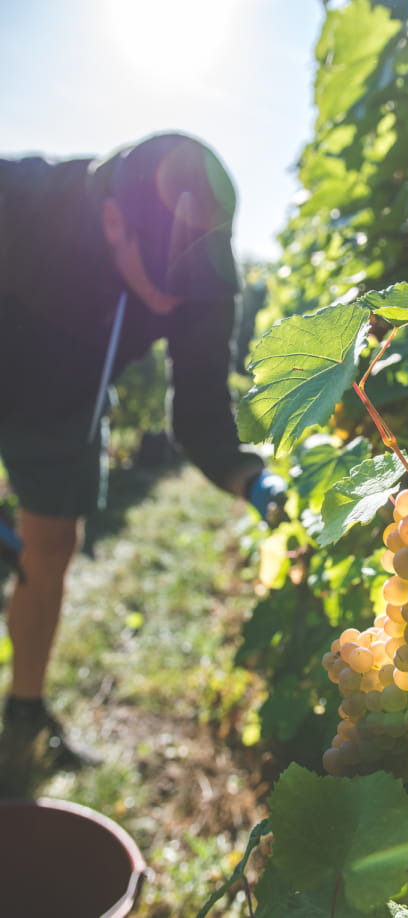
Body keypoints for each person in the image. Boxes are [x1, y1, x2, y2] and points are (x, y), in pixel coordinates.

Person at [0, 131, 286, 779]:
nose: (174, 301)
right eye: (162, 278)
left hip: (63, 406)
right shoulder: (21, 203)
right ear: (111, 222)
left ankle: (24, 710)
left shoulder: (201, 282)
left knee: (51, 551)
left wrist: (249, 477)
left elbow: (200, 413)